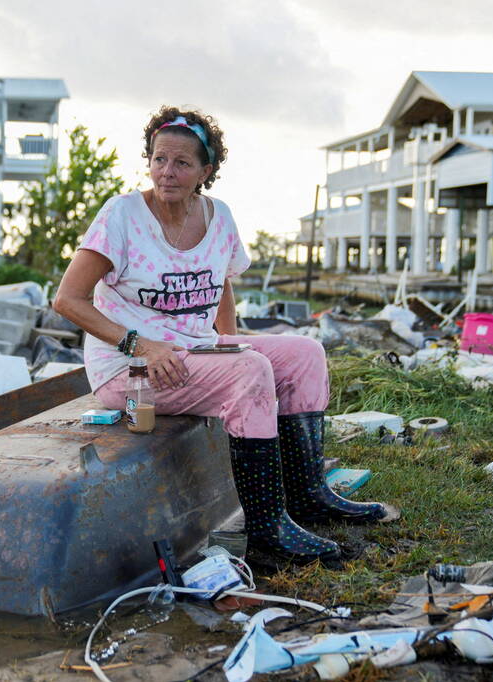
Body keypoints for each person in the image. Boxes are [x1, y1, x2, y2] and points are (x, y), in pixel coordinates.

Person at [53, 106, 398, 566]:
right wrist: (142, 345)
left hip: (195, 350)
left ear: (206, 171)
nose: (167, 172)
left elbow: (222, 283)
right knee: (249, 370)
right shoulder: (121, 216)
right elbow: (68, 300)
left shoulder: (219, 216)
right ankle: (267, 530)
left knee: (305, 352)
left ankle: (308, 495)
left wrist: (229, 341)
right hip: (131, 369)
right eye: (158, 159)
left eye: (182, 163)